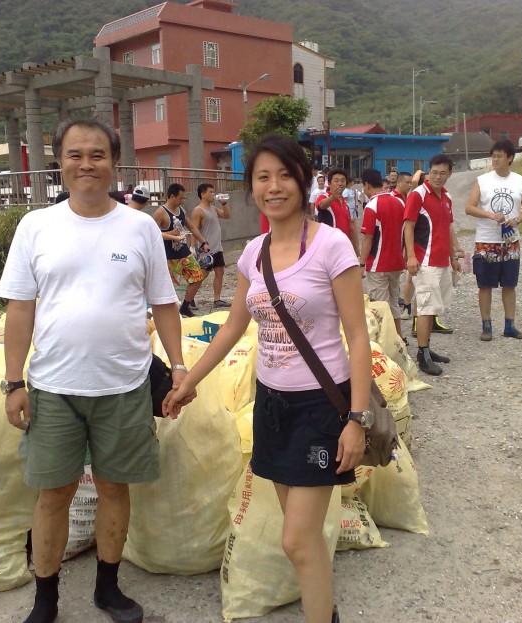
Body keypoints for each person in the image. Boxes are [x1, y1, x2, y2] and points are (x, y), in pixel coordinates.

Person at [163, 135, 371, 623]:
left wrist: (356, 418)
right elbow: (234, 325)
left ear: (302, 180)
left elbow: (358, 337)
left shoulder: (331, 245)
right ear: (251, 187)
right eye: (262, 177)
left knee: (297, 539)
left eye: (284, 175)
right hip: (272, 404)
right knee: (302, 536)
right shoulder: (253, 252)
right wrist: (189, 379)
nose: (274, 186)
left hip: (323, 408)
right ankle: (327, 609)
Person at [0, 118, 188, 623]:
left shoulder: (140, 226)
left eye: (97, 154)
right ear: (59, 161)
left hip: (124, 385)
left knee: (113, 488)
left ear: (114, 162)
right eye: (76, 154)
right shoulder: (36, 226)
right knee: (53, 492)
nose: (87, 164)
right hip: (53, 388)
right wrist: (14, 382)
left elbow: (165, 303)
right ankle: (46, 598)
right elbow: (20, 309)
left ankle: (108, 588)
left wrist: (182, 367)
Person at [464, 139, 522, 341]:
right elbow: (469, 207)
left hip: (510, 241)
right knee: (485, 285)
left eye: (499, 156)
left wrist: (517, 219)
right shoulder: (483, 180)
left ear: (509, 158)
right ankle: (486, 326)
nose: (495, 159)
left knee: (509, 284)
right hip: (486, 240)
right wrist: (489, 215)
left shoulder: (521, 181)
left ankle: (509, 325)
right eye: (493, 156)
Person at [403, 155, 465, 376]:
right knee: (426, 309)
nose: (438, 177)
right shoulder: (418, 195)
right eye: (434, 172)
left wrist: (453, 258)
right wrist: (411, 256)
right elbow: (408, 227)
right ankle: (422, 354)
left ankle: (427, 349)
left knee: (434, 308)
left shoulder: (446, 197)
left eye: (443, 173)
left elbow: (446, 228)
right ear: (428, 172)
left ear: (450, 174)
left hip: (441, 262)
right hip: (424, 262)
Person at [360, 169, 412, 338]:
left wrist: (361, 263)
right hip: (397, 262)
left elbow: (368, 238)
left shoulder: (372, 206)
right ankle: (399, 340)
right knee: (394, 303)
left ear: (367, 185)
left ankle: (387, 345)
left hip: (378, 264)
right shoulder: (399, 202)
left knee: (380, 307)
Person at [152, 183, 210, 317]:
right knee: (167, 286)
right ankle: (167, 312)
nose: (182, 201)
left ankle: (185, 305)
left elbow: (192, 227)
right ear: (172, 196)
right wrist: (172, 234)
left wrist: (203, 242)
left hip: (183, 253)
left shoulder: (182, 211)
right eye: (181, 198)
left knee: (197, 276)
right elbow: (152, 234)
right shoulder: (161, 212)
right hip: (167, 256)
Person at [189, 183, 232, 308]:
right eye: (211, 192)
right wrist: (192, 247)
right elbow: (194, 229)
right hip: (205, 249)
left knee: (220, 272)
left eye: (213, 192)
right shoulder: (198, 211)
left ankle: (217, 300)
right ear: (203, 194)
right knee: (202, 274)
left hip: (217, 247)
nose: (213, 194)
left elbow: (227, 216)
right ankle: (189, 299)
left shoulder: (213, 208)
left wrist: (224, 204)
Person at [315, 167, 359, 255]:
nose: (340, 183)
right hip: (329, 247)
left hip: (344, 247)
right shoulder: (324, 197)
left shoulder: (345, 203)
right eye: (336, 180)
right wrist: (333, 197)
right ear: (329, 183)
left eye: (343, 181)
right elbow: (322, 205)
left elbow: (351, 228)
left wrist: (356, 251)